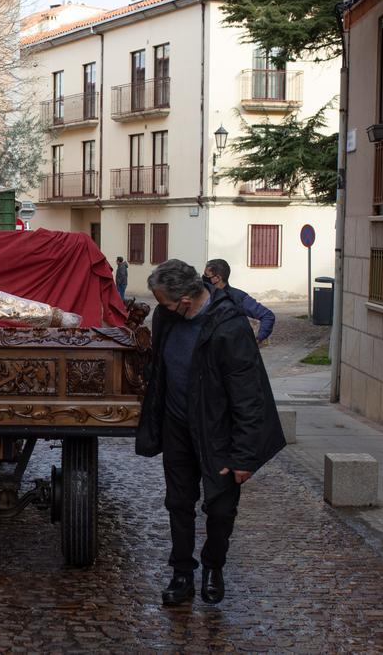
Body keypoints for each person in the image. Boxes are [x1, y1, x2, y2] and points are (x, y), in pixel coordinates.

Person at [135, 259, 285, 607]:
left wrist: (244, 456)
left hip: (219, 432)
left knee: (220, 509)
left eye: (167, 303)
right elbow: (159, 369)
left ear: (186, 299)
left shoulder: (230, 327)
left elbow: (249, 397)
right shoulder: (167, 317)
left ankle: (214, 567)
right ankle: (182, 573)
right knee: (178, 502)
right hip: (177, 426)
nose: (162, 309)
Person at [203, 259, 275, 345]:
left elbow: (267, 315)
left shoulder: (238, 297)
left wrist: (258, 338)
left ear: (217, 278)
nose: (203, 278)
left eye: (206, 275)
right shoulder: (201, 296)